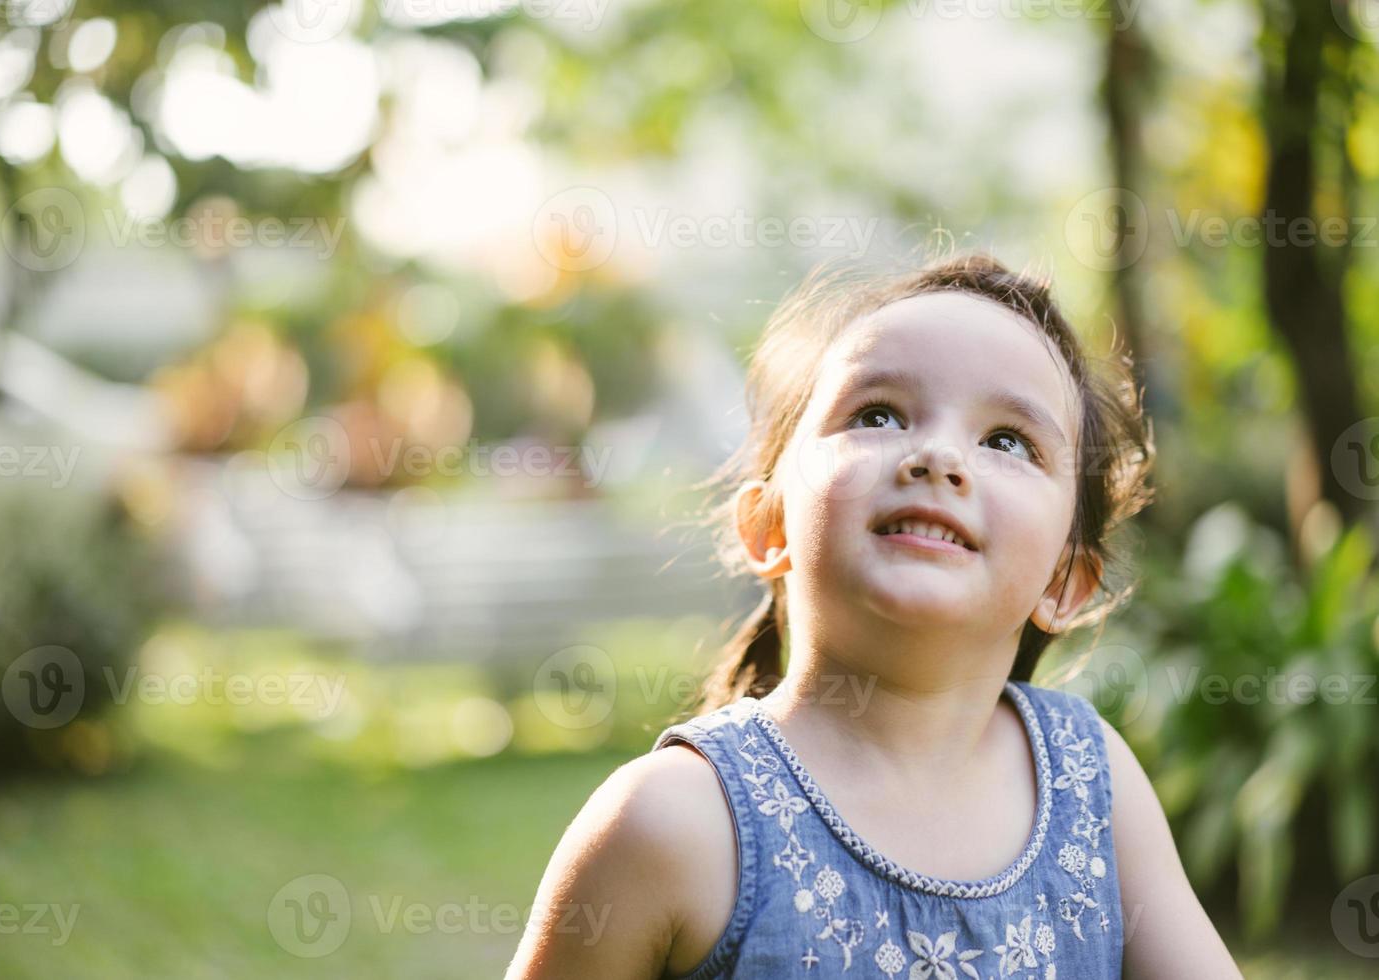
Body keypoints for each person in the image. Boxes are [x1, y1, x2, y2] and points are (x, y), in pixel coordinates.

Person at [505, 253, 1242, 978]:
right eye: (879, 413)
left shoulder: (1092, 785)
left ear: (1064, 582)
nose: (937, 455)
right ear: (771, 526)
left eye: (1007, 441)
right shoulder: (672, 823)